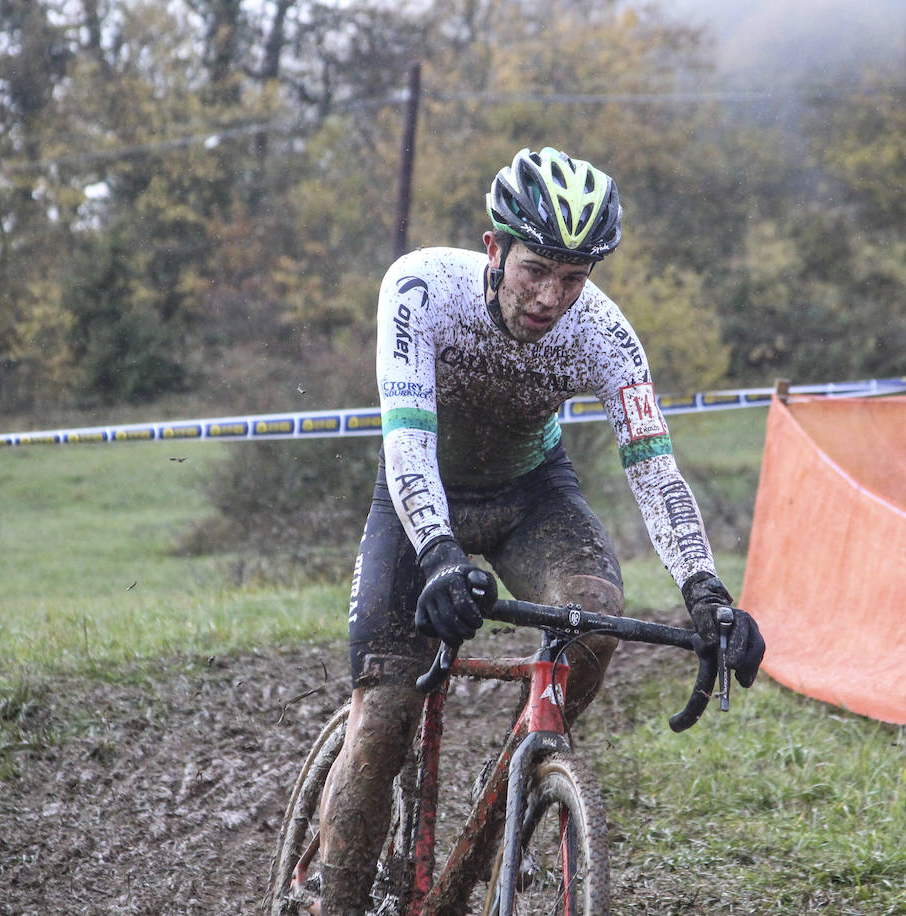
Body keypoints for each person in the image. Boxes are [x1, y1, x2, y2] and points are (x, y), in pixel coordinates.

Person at [312, 147, 766, 914]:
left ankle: (513, 798)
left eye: (574, 278)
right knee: (386, 716)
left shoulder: (607, 336)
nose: (552, 298)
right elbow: (407, 446)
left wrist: (706, 591)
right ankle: (339, 903)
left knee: (594, 617)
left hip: (531, 495)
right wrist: (440, 553)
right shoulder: (422, 288)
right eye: (535, 270)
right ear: (493, 250)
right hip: (424, 491)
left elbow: (653, 470)